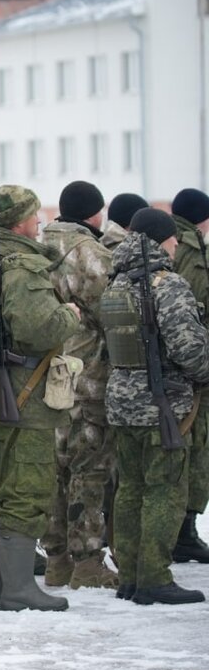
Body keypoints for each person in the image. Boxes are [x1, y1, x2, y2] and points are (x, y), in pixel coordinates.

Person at [0, 185, 82, 612]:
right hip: (24, 391)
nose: (40, 221)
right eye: (35, 214)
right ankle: (15, 590)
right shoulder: (24, 266)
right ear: (18, 222)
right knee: (26, 487)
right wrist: (70, 315)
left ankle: (3, 587)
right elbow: (39, 328)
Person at [103, 208, 209, 604]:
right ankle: (154, 578)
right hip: (162, 404)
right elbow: (189, 349)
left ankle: (130, 576)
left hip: (122, 401)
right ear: (160, 241)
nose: (177, 243)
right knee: (164, 490)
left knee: (129, 488)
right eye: (172, 238)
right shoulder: (169, 285)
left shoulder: (115, 283)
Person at [39, 180, 119, 590]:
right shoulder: (90, 253)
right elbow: (114, 311)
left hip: (47, 377)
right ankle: (87, 562)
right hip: (87, 377)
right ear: (94, 212)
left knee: (55, 471)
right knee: (89, 470)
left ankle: (57, 561)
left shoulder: (38, 247)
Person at [169, 188, 209, 564]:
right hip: (192, 368)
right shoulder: (191, 250)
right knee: (195, 451)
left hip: (181, 367)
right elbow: (193, 309)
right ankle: (184, 534)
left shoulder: (175, 239)